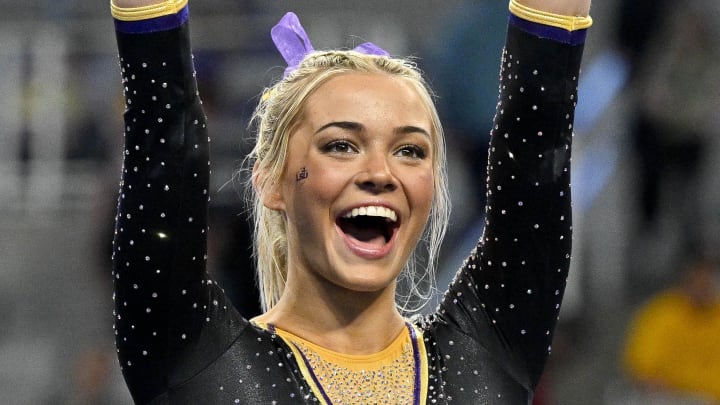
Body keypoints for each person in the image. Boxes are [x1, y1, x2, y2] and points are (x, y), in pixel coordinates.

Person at [110, 0, 591, 402]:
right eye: (340, 145)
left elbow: (538, 135)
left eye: (409, 151)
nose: (380, 174)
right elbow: (164, 130)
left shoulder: (487, 349)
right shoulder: (193, 357)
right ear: (272, 181)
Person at [622, 257, 720, 403]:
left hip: (707, 397)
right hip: (664, 395)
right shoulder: (663, 312)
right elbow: (641, 362)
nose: (701, 287)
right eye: (696, 281)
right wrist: (652, 380)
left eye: (706, 282)